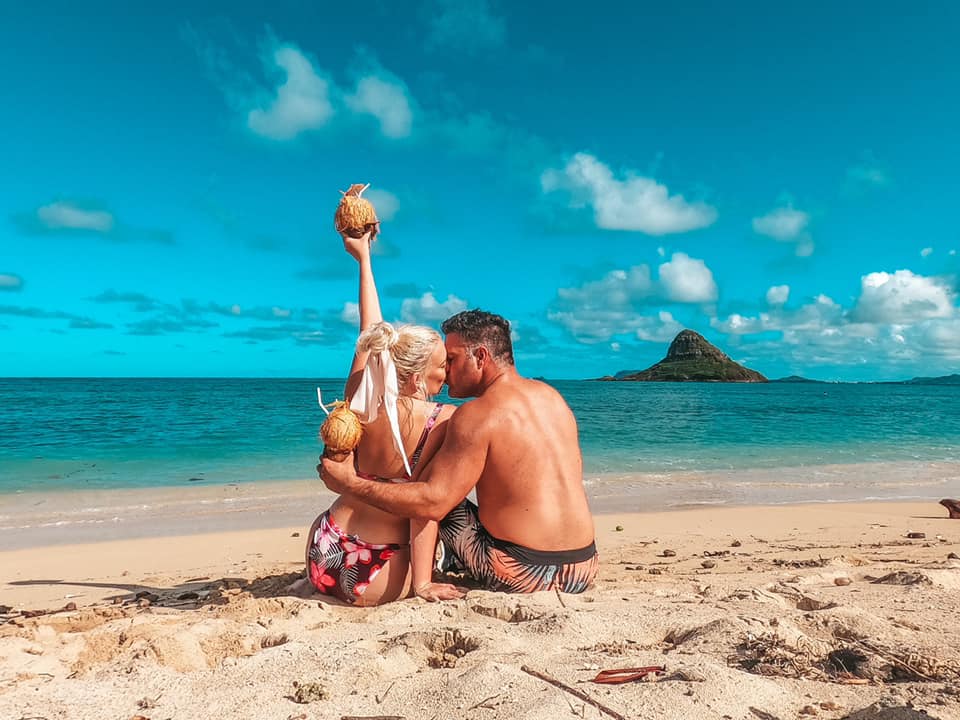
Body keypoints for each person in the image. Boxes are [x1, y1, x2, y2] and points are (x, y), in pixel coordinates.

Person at [319, 309, 599, 594]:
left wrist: (349, 483)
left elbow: (432, 504)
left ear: (480, 357)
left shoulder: (476, 414)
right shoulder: (552, 398)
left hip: (523, 573)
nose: (448, 371)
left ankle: (425, 577)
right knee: (448, 482)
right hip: (584, 566)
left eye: (451, 359)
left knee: (432, 491)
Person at [295, 224, 464, 606]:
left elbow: (369, 331)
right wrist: (422, 584)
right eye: (443, 365)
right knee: (431, 501)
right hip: (372, 571)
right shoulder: (444, 419)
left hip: (323, 549)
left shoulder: (360, 399)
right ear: (418, 375)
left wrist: (364, 257)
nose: (448, 373)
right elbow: (424, 509)